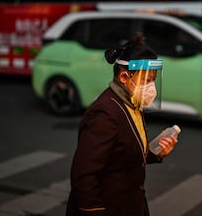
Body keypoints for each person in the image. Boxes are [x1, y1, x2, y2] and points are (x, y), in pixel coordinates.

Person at [66, 34, 178, 216]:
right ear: (125, 76)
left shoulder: (131, 103)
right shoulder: (105, 113)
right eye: (145, 80)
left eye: (153, 80)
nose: (151, 87)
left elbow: (122, 155)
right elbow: (84, 176)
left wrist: (155, 152)